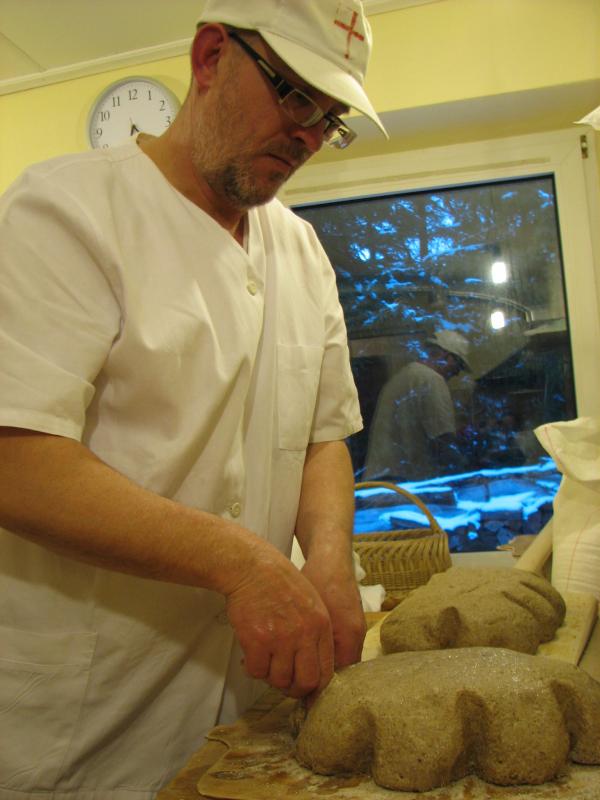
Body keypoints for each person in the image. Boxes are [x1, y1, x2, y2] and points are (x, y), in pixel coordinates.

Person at [0, 2, 388, 796]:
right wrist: (245, 564)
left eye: (330, 119)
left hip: (246, 714)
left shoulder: (301, 251)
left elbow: (322, 436)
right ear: (211, 57)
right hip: (84, 733)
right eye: (294, 97)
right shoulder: (64, 213)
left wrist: (327, 562)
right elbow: (16, 460)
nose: (308, 137)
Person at [364, 330, 471, 481]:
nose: (457, 373)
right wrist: (467, 474)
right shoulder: (432, 379)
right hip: (402, 482)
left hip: (382, 482)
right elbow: (444, 442)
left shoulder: (400, 378)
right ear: (446, 356)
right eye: (458, 365)